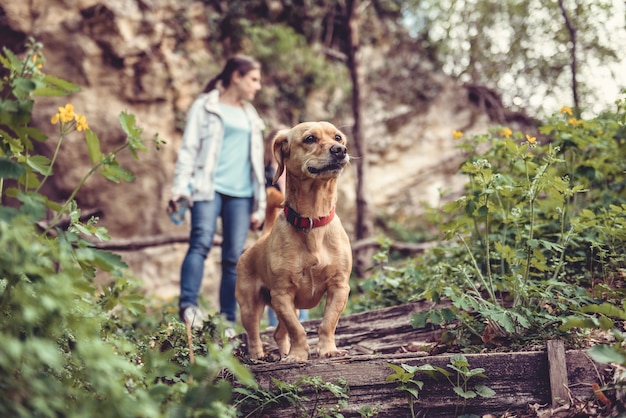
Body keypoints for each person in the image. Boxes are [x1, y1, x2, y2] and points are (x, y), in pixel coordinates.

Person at [169, 55, 266, 328]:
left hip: (242, 194)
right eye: (254, 79)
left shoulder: (251, 115)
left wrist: (258, 207)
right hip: (208, 188)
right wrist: (180, 189)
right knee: (200, 242)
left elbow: (257, 164)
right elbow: (188, 149)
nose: (257, 86)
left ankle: (227, 321)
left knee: (234, 258)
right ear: (236, 76)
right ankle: (188, 307)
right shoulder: (205, 106)